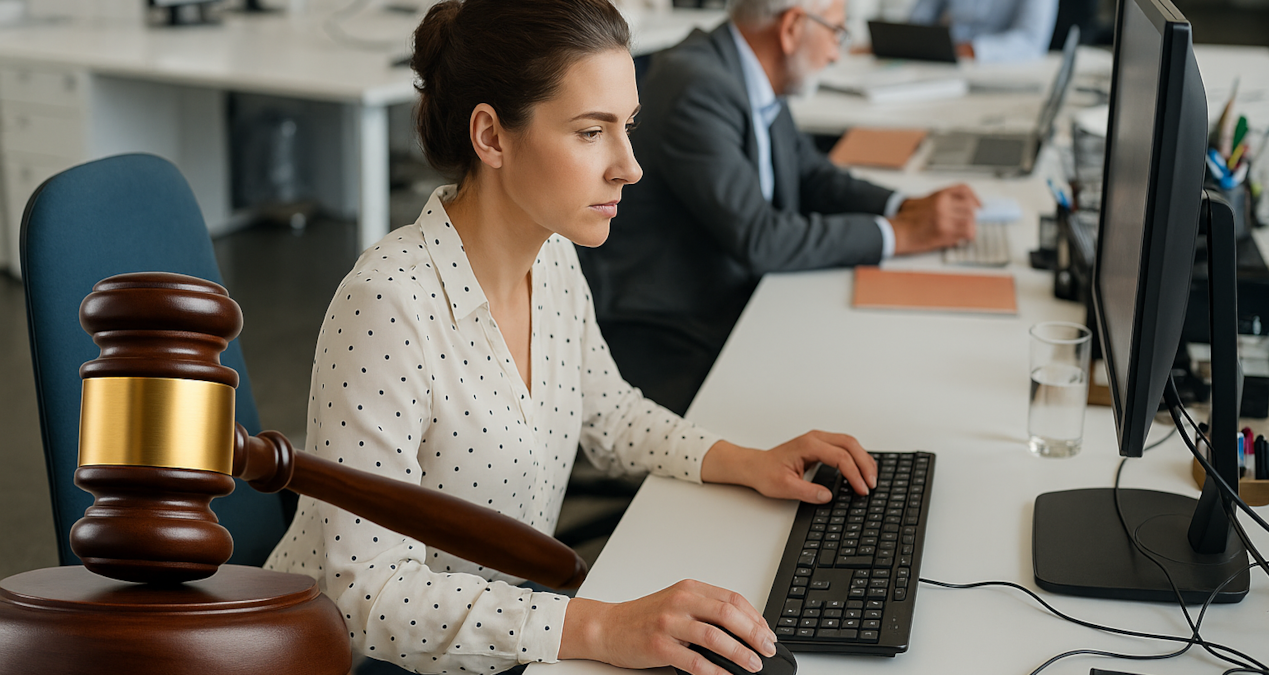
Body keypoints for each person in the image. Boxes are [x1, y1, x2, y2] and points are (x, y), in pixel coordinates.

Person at [265, 1, 880, 674]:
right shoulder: (389, 305)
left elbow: (606, 409)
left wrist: (745, 460)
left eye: (627, 128)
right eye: (592, 132)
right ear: (492, 137)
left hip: (504, 628)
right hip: (361, 657)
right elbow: (370, 596)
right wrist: (603, 624)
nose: (629, 166)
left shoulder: (551, 253)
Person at [577, 0, 981, 416]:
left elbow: (811, 174)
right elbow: (761, 238)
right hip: (676, 332)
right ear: (791, 28)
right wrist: (903, 233)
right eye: (836, 32)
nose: (836, 53)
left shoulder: (748, 69)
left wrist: (906, 205)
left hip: (742, 303)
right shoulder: (697, 85)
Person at [909, 0, 1059, 62]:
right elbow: (917, 22)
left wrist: (972, 50)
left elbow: (1030, 41)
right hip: (944, 63)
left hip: (1001, 67)